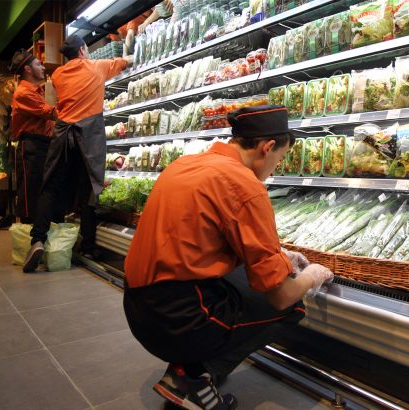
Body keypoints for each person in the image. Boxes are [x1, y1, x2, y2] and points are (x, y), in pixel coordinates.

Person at [123, 105, 334, 410]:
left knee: (248, 278)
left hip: (138, 307)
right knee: (292, 304)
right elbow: (280, 296)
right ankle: (194, 375)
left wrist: (282, 258)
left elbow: (206, 240)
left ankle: (188, 373)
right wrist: (313, 275)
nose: (276, 168)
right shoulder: (244, 185)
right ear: (267, 147)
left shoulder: (184, 164)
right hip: (178, 321)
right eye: (280, 159)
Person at [22, 35, 133, 272]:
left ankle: (38, 239)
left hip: (62, 134)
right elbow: (126, 61)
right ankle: (88, 246)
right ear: (83, 50)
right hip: (87, 134)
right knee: (88, 189)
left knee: (50, 186)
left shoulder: (58, 75)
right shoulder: (97, 67)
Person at [8, 50, 57, 224]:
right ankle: (30, 234)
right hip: (31, 146)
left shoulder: (37, 91)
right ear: (28, 69)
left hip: (40, 144)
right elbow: (51, 113)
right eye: (38, 64)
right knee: (30, 192)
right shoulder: (24, 93)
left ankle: (38, 232)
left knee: (39, 190)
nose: (42, 67)